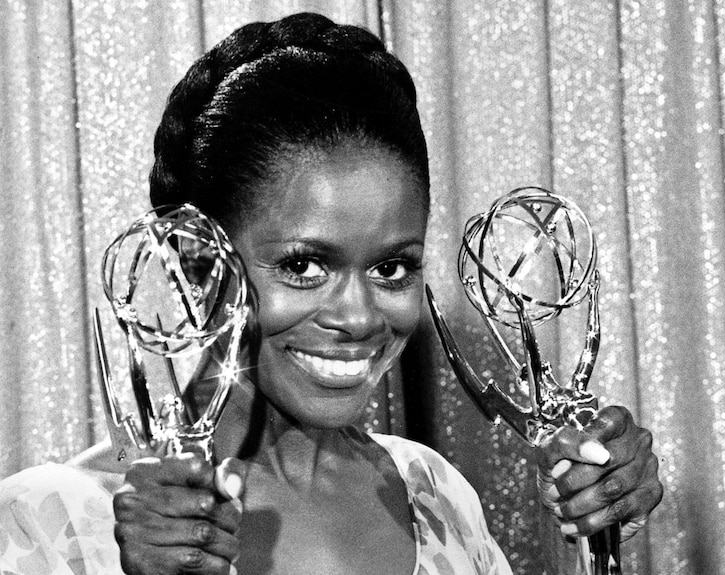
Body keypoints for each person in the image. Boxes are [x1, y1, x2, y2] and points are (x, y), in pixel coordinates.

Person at [0, 12, 661, 575]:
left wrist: (595, 536)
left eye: (393, 268)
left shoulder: (434, 495)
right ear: (197, 267)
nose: (360, 315)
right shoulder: (47, 523)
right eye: (305, 264)